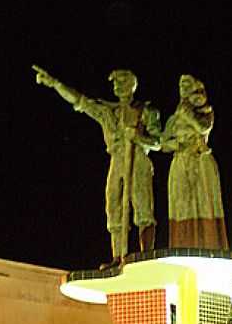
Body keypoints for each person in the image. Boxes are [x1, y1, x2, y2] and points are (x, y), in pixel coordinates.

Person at [33, 65, 161, 265]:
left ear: (131, 85)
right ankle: (118, 257)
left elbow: (158, 142)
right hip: (117, 159)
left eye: (121, 82)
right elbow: (79, 100)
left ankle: (146, 255)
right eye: (115, 83)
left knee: (143, 207)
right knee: (113, 207)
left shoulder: (146, 111)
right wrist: (55, 84)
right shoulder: (106, 111)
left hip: (138, 159)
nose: (117, 87)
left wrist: (137, 136)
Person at [161, 74, 228, 249]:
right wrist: (176, 143)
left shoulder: (204, 110)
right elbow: (162, 143)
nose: (183, 87)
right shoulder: (174, 118)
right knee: (182, 204)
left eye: (187, 84)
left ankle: (209, 243)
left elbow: (204, 127)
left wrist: (187, 115)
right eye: (181, 84)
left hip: (200, 160)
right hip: (181, 161)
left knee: (204, 202)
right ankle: (183, 243)